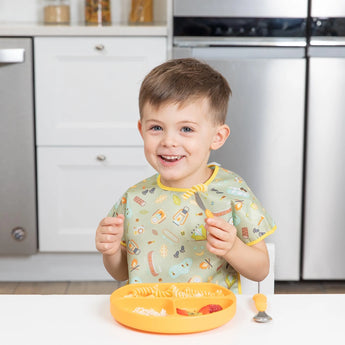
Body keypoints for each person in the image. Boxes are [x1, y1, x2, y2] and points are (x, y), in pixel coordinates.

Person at [95, 58, 276, 293]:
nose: (169, 141)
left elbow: (261, 269)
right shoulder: (134, 198)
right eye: (156, 128)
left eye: (186, 129)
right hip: (150, 317)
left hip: (210, 318)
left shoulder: (233, 192)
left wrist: (232, 248)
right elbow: (121, 272)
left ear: (217, 137)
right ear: (142, 131)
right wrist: (110, 252)